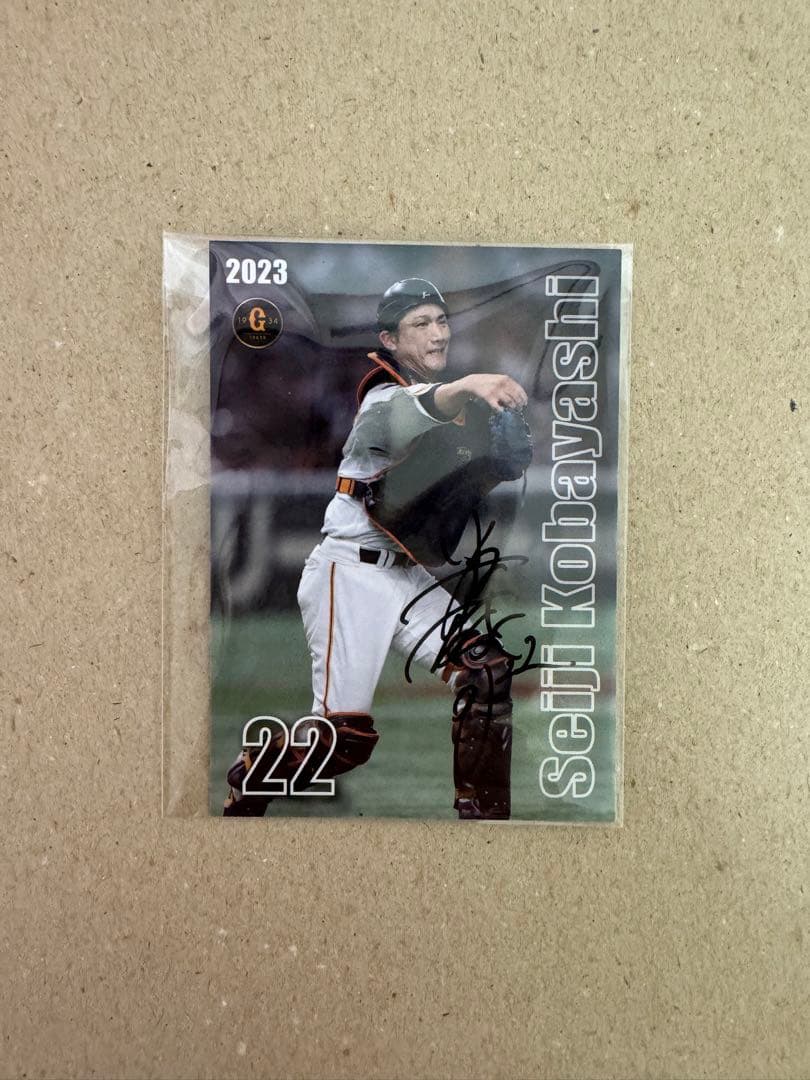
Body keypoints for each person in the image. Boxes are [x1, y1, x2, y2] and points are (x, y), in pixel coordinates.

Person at [224, 278, 531, 819]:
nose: (437, 333)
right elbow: (407, 416)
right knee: (341, 743)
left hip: (402, 575)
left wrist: (489, 465)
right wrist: (469, 384)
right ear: (389, 340)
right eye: (420, 323)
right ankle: (254, 773)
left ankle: (485, 820)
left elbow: (435, 495)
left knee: (486, 671)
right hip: (350, 573)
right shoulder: (381, 397)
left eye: (441, 320)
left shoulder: (452, 410)